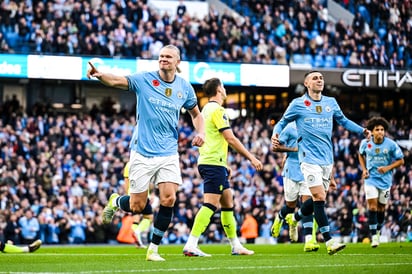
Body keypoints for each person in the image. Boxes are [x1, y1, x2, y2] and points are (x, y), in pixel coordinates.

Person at [87, 44, 205, 262]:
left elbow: (196, 114)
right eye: (161, 56)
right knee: (137, 206)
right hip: (142, 151)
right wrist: (99, 75)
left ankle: (153, 249)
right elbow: (118, 80)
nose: (163, 60)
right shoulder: (144, 79)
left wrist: (202, 132)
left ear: (177, 62)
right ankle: (115, 202)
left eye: (168, 57)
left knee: (169, 198)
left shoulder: (185, 88)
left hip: (169, 151)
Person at [271, 70, 371, 255]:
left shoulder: (330, 103)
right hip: (308, 159)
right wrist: (275, 135)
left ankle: (296, 218)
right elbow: (282, 122)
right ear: (307, 83)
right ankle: (329, 241)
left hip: (327, 159)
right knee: (319, 198)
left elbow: (343, 121)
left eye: (321, 78)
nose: (319, 80)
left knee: (317, 200)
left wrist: (362, 131)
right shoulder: (298, 104)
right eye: (315, 78)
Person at [182, 77, 263, 257]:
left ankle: (236, 245)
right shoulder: (218, 110)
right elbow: (230, 138)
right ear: (219, 90)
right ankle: (191, 243)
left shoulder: (206, 109)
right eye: (224, 87)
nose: (225, 90)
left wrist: (224, 164)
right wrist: (251, 158)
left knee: (228, 202)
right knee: (210, 204)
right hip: (212, 163)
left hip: (212, 162)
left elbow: (212, 139)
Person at [271, 121, 320, 252]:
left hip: (308, 170)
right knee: (290, 206)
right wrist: (293, 150)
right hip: (291, 171)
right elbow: (275, 147)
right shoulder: (290, 128)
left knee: (308, 204)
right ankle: (281, 217)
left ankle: (309, 240)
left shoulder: (313, 127)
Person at [358, 116, 404, 248]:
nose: (380, 132)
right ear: (371, 131)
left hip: (385, 181)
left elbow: (401, 160)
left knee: (381, 208)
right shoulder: (365, 143)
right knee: (372, 207)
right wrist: (364, 169)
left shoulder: (391, 144)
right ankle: (373, 236)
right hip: (370, 179)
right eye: (377, 129)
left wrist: (388, 168)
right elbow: (360, 155)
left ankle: (378, 231)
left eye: (382, 129)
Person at [124, 161, 153, 248]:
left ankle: (138, 242)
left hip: (131, 195)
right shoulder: (145, 162)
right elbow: (150, 184)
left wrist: (128, 195)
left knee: (136, 219)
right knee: (149, 217)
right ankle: (138, 232)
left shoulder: (128, 165)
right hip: (143, 194)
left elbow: (126, 182)